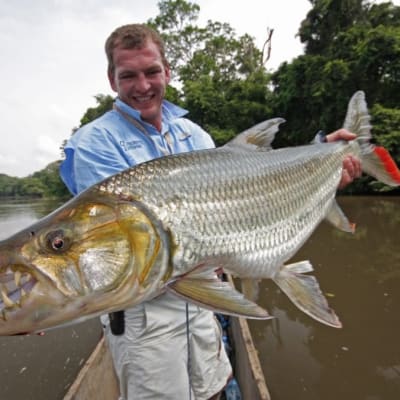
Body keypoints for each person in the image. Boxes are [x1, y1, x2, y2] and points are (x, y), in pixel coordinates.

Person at [60, 24, 361, 400]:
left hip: (203, 302)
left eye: (152, 72)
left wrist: (322, 158)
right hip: (145, 319)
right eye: (129, 75)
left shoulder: (194, 135)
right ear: (112, 79)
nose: (143, 86)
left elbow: (249, 187)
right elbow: (117, 251)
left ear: (167, 71)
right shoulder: (93, 143)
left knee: (214, 388)